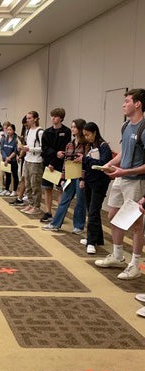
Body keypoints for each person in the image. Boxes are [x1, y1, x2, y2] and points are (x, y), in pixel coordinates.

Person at [95, 88, 145, 281]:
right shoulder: (126, 126)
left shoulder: (143, 127)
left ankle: (135, 264)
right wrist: (107, 165)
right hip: (120, 178)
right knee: (113, 216)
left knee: (135, 224)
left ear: (138, 103)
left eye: (127, 101)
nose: (123, 104)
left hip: (136, 181)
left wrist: (125, 171)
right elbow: (124, 154)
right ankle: (117, 256)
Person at [42, 118, 87, 233]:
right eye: (72, 127)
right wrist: (62, 177)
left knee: (80, 202)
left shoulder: (86, 144)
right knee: (64, 200)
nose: (72, 129)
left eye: (75, 127)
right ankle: (55, 223)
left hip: (80, 174)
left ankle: (79, 225)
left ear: (80, 129)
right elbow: (66, 162)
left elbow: (86, 162)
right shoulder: (70, 144)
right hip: (70, 174)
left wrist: (83, 178)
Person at [78, 122, 113, 254]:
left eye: (88, 135)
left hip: (100, 183)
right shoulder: (89, 146)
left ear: (95, 133)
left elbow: (104, 164)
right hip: (89, 181)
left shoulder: (104, 147)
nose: (87, 138)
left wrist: (86, 160)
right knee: (92, 210)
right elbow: (86, 166)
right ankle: (98, 238)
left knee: (93, 211)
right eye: (85, 135)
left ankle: (91, 241)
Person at [40, 108, 71, 223]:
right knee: (47, 188)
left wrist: (56, 159)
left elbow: (64, 149)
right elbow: (45, 149)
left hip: (60, 165)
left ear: (61, 118)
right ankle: (48, 212)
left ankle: (59, 213)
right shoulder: (47, 132)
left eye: (56, 116)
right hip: (48, 165)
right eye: (52, 116)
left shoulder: (67, 131)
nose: (53, 118)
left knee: (60, 189)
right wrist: (50, 162)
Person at [20, 111, 44, 215]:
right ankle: (30, 203)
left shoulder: (40, 132)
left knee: (35, 185)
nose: (27, 120)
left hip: (36, 161)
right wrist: (23, 148)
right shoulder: (28, 131)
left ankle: (36, 206)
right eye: (27, 118)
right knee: (28, 184)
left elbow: (43, 148)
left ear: (35, 119)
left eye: (29, 118)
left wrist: (30, 149)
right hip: (27, 159)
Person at [0, 123, 20, 196]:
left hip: (12, 160)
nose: (8, 131)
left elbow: (15, 151)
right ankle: (6, 189)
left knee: (14, 175)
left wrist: (9, 158)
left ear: (13, 130)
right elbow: (2, 149)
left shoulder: (16, 139)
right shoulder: (4, 138)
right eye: (7, 130)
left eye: (10, 130)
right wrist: (5, 158)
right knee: (7, 175)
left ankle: (14, 190)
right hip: (5, 160)